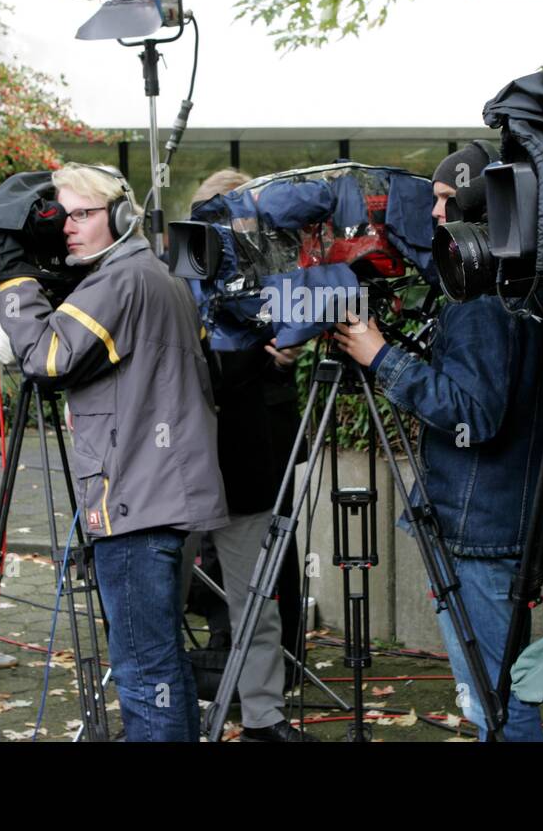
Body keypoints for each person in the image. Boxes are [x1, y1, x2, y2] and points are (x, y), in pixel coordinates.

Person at [333, 144, 543, 740]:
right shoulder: (520, 281)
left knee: (496, 702)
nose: (433, 214)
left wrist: (379, 356)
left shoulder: (483, 301)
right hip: (495, 523)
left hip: (479, 533)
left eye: (444, 200)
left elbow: (474, 415)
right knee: (499, 694)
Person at [0, 163, 228, 741]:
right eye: (61, 215)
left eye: (82, 214)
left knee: (143, 670)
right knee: (162, 663)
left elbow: (47, 359)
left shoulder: (118, 281)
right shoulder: (158, 274)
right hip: (160, 495)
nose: (67, 227)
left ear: (122, 216)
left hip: (134, 503)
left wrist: (16, 284)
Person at [182, 169, 315, 741]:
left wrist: (282, 350)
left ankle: (265, 717)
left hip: (248, 466)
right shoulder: (176, 279)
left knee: (257, 603)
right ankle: (167, 710)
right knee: (161, 603)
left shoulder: (269, 277)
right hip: (178, 472)